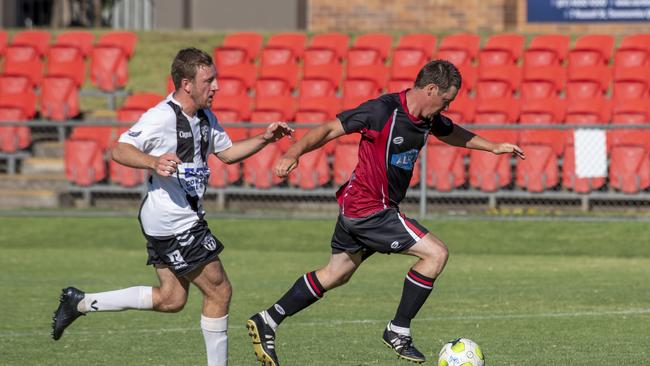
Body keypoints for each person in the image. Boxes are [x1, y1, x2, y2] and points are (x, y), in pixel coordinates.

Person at [246, 60, 525, 365]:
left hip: (359, 208)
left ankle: (268, 319)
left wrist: (494, 147)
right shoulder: (382, 111)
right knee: (436, 254)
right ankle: (398, 330)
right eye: (446, 100)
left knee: (336, 274)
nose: (447, 107)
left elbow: (452, 132)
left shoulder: (429, 119)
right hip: (370, 210)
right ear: (431, 89)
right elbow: (329, 129)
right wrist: (292, 152)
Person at [51, 47, 293, 366]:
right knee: (219, 291)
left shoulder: (206, 117)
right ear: (186, 84)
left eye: (216, 79)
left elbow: (228, 153)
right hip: (173, 219)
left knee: (172, 299)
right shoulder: (162, 116)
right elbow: (119, 149)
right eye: (209, 80)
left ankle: (80, 303)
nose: (217, 87)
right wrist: (153, 161)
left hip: (175, 217)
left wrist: (264, 139)